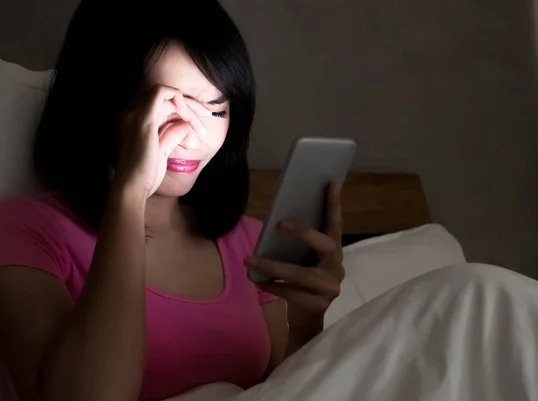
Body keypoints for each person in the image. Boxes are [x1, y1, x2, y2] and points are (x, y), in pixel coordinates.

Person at [0, 1, 344, 401]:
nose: (192, 137)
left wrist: (306, 324)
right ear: (102, 102)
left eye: (216, 111)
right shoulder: (24, 232)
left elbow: (280, 391)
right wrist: (130, 195)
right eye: (167, 107)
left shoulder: (249, 243)